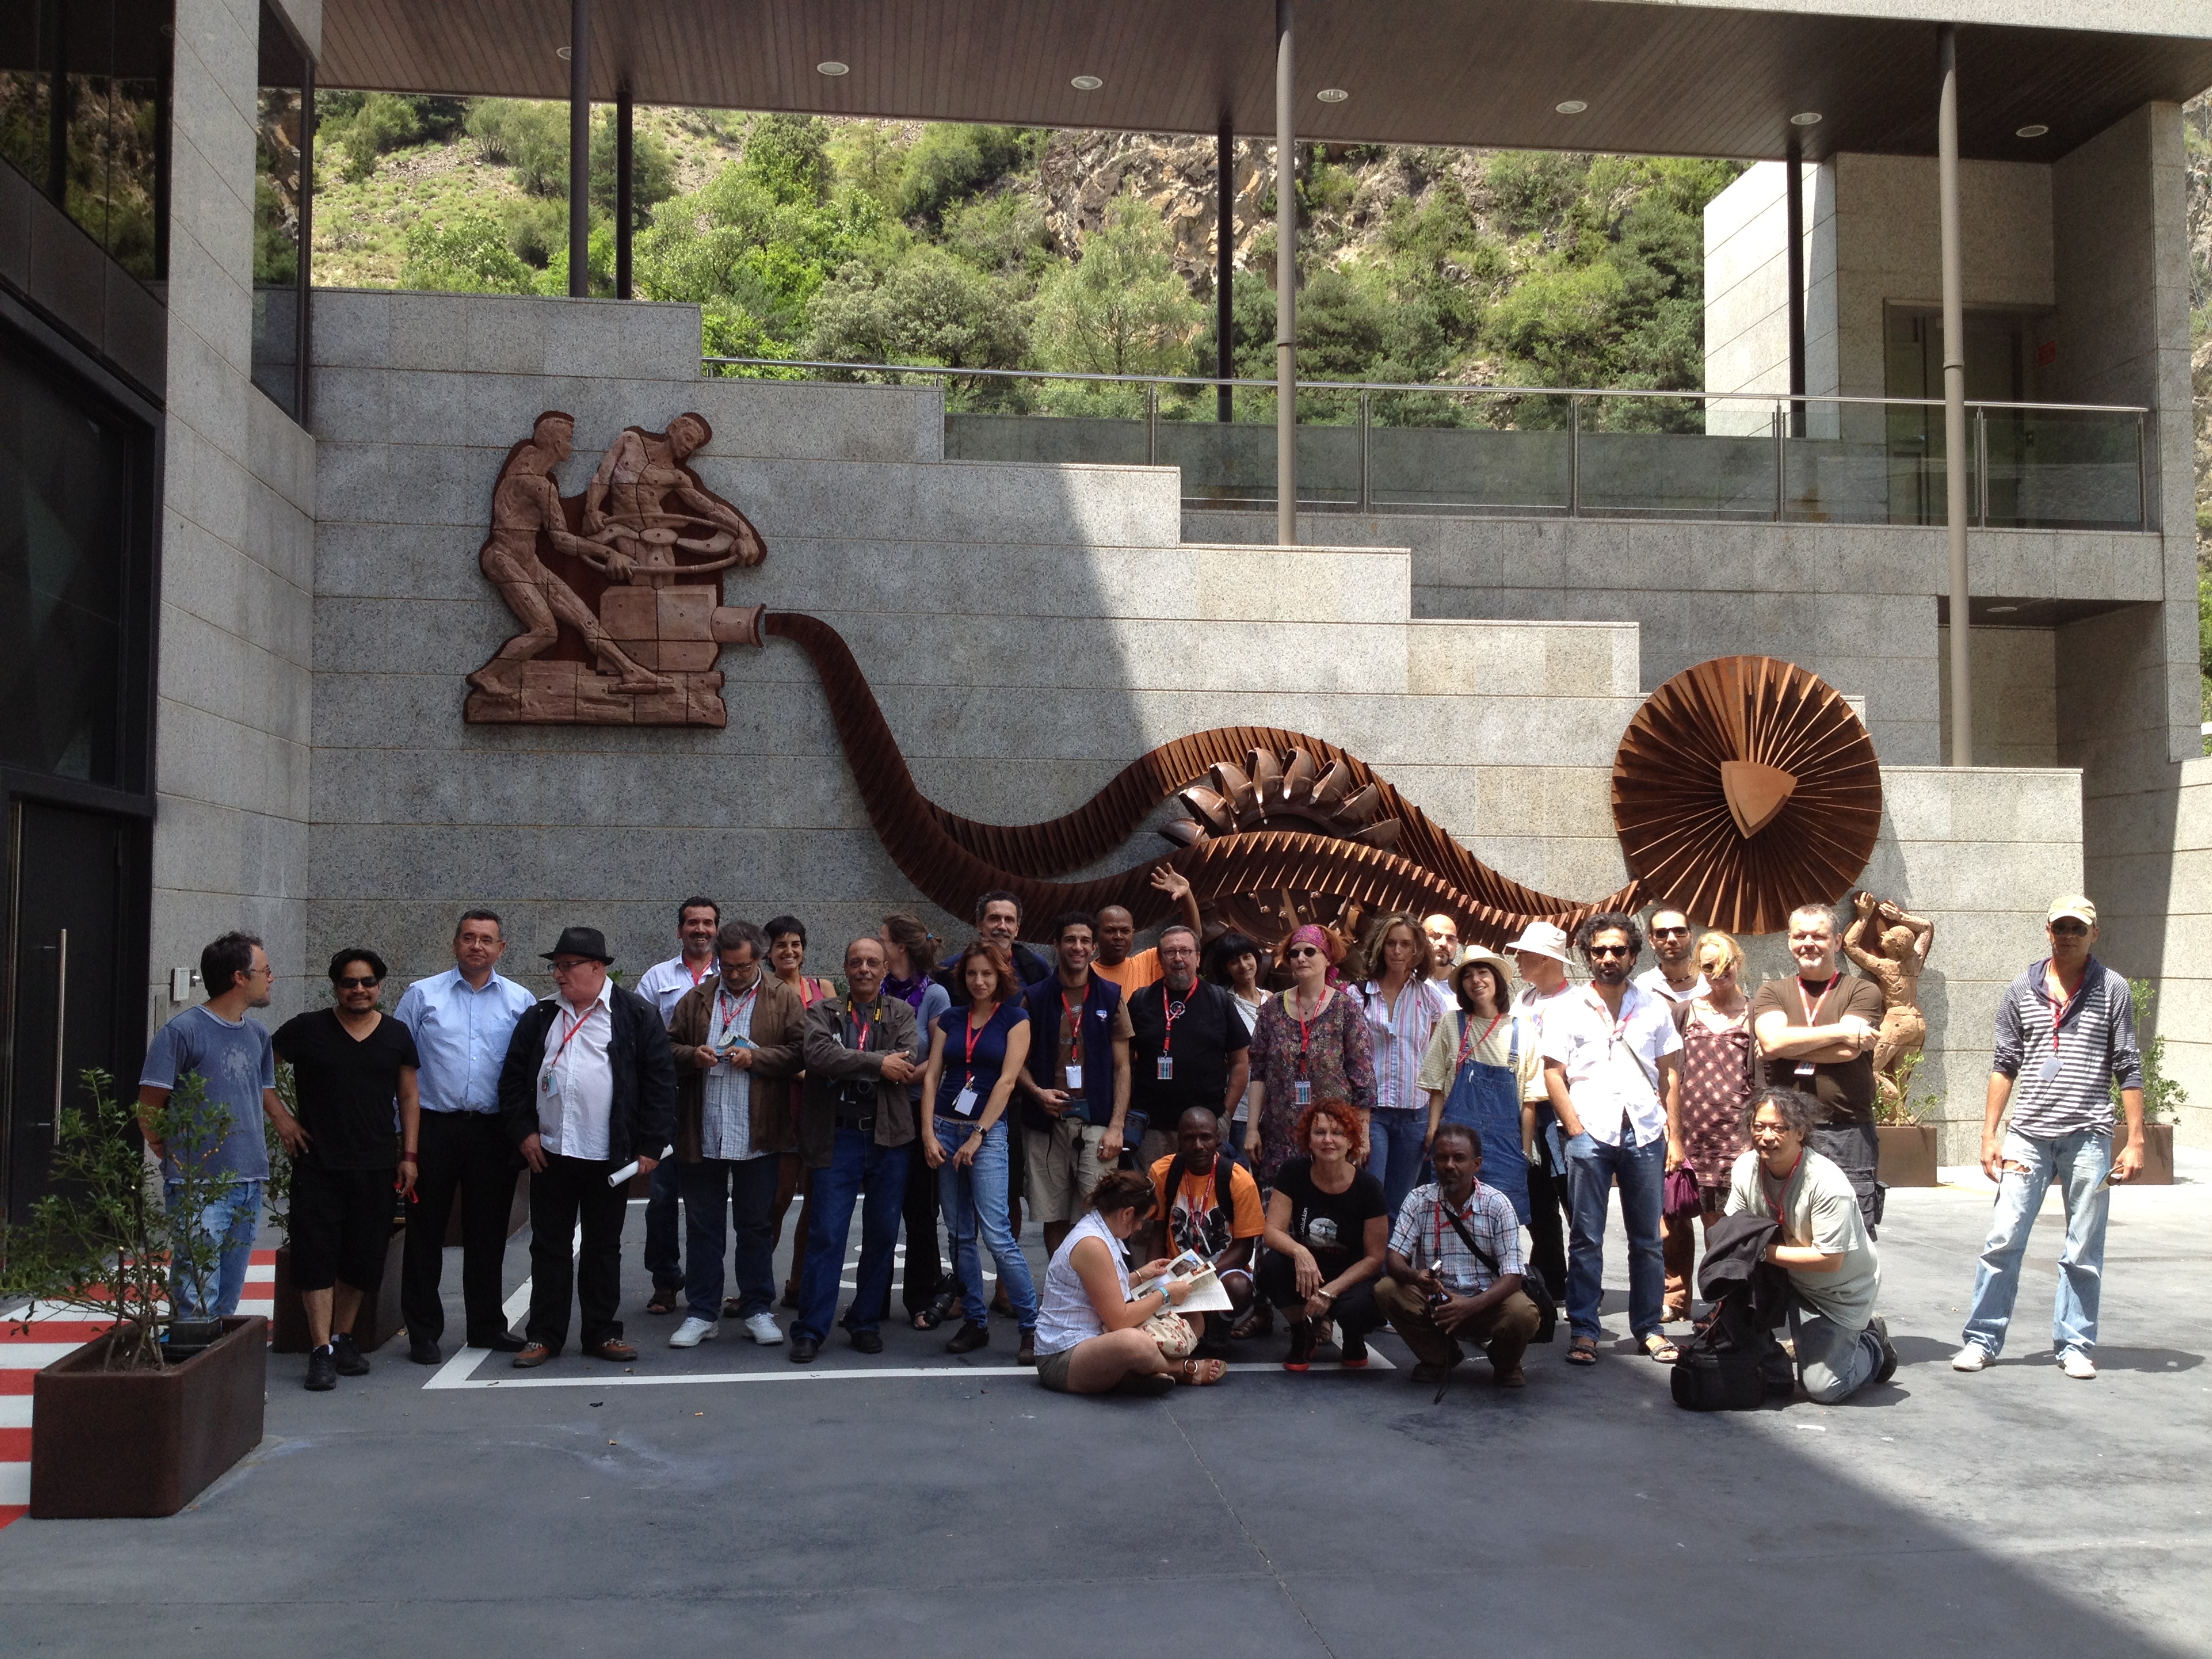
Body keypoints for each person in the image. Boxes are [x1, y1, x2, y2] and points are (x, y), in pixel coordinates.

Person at [1953, 895, 2146, 1380]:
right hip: (2027, 1137)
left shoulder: (2113, 988)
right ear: (2048, 931)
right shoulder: (2022, 987)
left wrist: (2136, 1139)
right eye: (2061, 927)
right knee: (2003, 1239)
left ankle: (2074, 1344)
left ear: (2094, 934)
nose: (2068, 936)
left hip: (2089, 1135)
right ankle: (1981, 1340)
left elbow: (2128, 1065)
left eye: (2078, 929)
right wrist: (1989, 1134)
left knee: (2083, 1248)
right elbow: (2004, 1063)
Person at [499, 926, 678, 1368]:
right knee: (549, 1247)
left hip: (609, 1155)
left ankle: (602, 1333)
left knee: (603, 1246)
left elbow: (660, 1083)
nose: (558, 975)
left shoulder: (635, 1014)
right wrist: (524, 1132)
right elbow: (513, 1080)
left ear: (598, 968)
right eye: (555, 966)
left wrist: (652, 1144)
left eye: (567, 966)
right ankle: (544, 1335)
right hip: (551, 1152)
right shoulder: (541, 1016)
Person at [272, 949, 422, 1391]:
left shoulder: (396, 1034)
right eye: (349, 982)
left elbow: (409, 1097)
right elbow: (258, 1068)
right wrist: (282, 1120)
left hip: (376, 1165)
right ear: (335, 986)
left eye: (368, 981)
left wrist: (409, 1155)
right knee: (316, 1257)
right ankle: (320, 1351)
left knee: (362, 1258)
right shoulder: (307, 1029)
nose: (359, 989)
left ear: (380, 986)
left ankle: (342, 1339)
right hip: (318, 1165)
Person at [394, 909, 539, 1364]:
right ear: (455, 943)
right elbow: (398, 1065)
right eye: (469, 938)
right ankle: (423, 1333)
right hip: (434, 1128)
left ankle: (486, 1326)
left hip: (492, 1132)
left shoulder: (520, 1000)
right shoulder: (422, 995)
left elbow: (528, 1070)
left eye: (486, 939)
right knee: (424, 1233)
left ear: (501, 948)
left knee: (488, 1234)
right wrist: (402, 1139)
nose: (477, 946)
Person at [1541, 912, 1683, 1368]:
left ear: (1633, 956)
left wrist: (1674, 1136)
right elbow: (1553, 1073)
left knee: (1648, 1240)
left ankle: (1649, 1328)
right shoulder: (1566, 1008)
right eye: (1599, 950)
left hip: (1644, 1131)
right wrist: (1574, 1129)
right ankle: (1585, 1330)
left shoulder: (1655, 1007)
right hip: (1591, 1134)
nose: (1608, 957)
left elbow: (1670, 1074)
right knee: (1586, 1238)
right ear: (1588, 956)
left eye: (1617, 950)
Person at [664, 920, 804, 1349]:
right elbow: (666, 1049)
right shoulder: (697, 998)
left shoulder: (783, 998)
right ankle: (701, 1313)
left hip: (757, 1133)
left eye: (744, 967)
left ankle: (757, 1308)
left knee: (756, 1225)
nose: (736, 974)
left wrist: (758, 1058)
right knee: (702, 1226)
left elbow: (802, 1052)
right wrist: (693, 1055)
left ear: (759, 959)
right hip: (704, 1131)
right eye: (728, 967)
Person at [136, 931, 284, 1322]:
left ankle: (216, 1356)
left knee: (228, 1294)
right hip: (199, 1184)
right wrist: (167, 1149)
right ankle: (191, 1352)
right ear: (240, 977)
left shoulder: (258, 1035)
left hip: (250, 1181)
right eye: (266, 970)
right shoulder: (182, 1031)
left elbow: (263, 1092)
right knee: (196, 1294)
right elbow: (149, 1104)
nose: (272, 978)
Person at [790, 937, 922, 1364]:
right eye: (856, 962)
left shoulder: (901, 1012)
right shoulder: (822, 1012)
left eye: (872, 963)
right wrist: (878, 1063)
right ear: (845, 969)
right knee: (826, 1234)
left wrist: (852, 1059)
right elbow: (818, 1055)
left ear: (884, 969)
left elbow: (906, 1060)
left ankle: (865, 1322)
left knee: (882, 1235)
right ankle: (810, 1329)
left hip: (888, 1139)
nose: (864, 969)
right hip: (838, 1137)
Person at [1727, 1087, 1895, 1402]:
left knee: (1823, 1388)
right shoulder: (1745, 1168)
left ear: (1800, 1132)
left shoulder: (1827, 1183)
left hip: (1839, 1292)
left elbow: (1829, 1261)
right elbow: (1734, 1231)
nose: (1766, 1137)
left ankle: (1872, 1343)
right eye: (1759, 1127)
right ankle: (1786, 1347)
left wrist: (1761, 1251)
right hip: (1786, 1279)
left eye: (1779, 1128)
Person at [918, 939, 1038, 1359]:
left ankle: (1032, 1325)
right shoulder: (951, 1018)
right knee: (959, 1234)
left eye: (987, 973)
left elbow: (1007, 1081)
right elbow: (932, 1076)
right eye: (972, 973)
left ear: (1000, 975)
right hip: (945, 1128)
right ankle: (975, 1321)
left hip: (985, 1134)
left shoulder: (1015, 1018)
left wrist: (979, 1134)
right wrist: (928, 1134)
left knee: (997, 1235)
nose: (979, 981)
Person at [1751, 903, 1886, 1235]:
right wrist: (1841, 1031)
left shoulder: (1862, 990)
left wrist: (1786, 1045)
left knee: (1850, 1230)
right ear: (1789, 941)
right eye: (1800, 936)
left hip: (1847, 1130)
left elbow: (1848, 1051)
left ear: (1838, 942)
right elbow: (1772, 1042)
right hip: (1783, 1132)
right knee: (1785, 1228)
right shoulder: (1772, 991)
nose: (1808, 943)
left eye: (1819, 936)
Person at [1378, 1123, 1542, 1388]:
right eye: (1442, 1158)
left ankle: (1506, 1363)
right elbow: (1394, 1259)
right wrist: (1416, 1276)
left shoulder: (1497, 1205)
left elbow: (1513, 1275)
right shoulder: (1418, 1200)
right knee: (1386, 1289)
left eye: (1459, 1158)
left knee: (1522, 1313)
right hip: (1438, 1303)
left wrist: (1470, 1306)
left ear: (1477, 1164)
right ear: (1433, 1162)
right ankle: (1439, 1358)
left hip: (1487, 1302)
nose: (1449, 1166)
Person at [1032, 1169, 1225, 1393]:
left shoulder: (1103, 1231)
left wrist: (1141, 1275)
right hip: (1065, 1355)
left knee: (1194, 1319)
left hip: (1099, 1336)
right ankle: (1179, 1369)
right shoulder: (1092, 1245)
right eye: (1141, 1220)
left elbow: (1103, 1288)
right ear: (1127, 1214)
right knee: (1134, 1343)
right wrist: (1165, 1294)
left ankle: (1140, 1371)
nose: (1140, 1227)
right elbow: (1119, 1320)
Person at [1017, 912, 1132, 1257]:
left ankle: (1096, 1286)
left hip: (1097, 1123)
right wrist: (1037, 1093)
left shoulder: (1110, 996)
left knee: (1099, 1213)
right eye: (1070, 940)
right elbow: (1017, 1062)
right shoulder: (1035, 997)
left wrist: (1117, 1126)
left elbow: (1123, 1066)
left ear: (1094, 947)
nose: (1077, 947)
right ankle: (1061, 1284)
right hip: (1046, 1123)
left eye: (1084, 941)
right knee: (1053, 1215)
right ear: (1056, 945)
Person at [634, 898, 722, 1319]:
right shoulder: (657, 978)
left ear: (717, 929)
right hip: (668, 1099)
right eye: (692, 923)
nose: (700, 929)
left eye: (707, 923)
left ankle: (709, 1284)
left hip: (719, 1098)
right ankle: (666, 1280)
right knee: (663, 1196)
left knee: (709, 1200)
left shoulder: (732, 972)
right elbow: (642, 1038)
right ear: (680, 930)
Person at [1666, 931, 1759, 1322]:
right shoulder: (1683, 1012)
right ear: (1697, 969)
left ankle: (1725, 1305)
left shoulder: (1755, 1013)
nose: (1718, 973)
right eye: (1708, 966)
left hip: (1735, 1138)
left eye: (1725, 964)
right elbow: (1668, 1074)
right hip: (1690, 1136)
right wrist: (1672, 1133)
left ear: (1738, 962)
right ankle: (1677, 1299)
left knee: (1722, 1226)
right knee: (1674, 1221)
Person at [1257, 1099, 1391, 1370]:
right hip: (1308, 1271)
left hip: (1351, 1275)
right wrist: (1300, 1252)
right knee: (1270, 1266)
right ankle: (1301, 1332)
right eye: (1320, 1132)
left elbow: (1375, 1258)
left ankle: (1353, 1334)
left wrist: (1332, 1290)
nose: (1328, 1140)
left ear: (1351, 1141)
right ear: (1309, 1139)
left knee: (1363, 1306)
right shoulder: (1293, 1172)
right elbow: (1272, 1231)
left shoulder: (1369, 1187)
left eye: (1337, 1133)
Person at [1246, 924, 1376, 1188]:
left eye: (1309, 951)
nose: (1301, 958)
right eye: (1294, 953)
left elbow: (1362, 1076)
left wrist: (1362, 1135)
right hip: (1280, 1134)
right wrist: (1251, 1130)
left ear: (1327, 958)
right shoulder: (1272, 1008)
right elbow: (1258, 1072)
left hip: (1331, 1137)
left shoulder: (1345, 1008)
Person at [1418, 946, 1539, 1227]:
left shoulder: (1522, 1030)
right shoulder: (1452, 1023)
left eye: (1483, 972)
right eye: (1467, 975)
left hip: (1506, 1147)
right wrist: (1433, 1133)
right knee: (1449, 1221)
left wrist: (1525, 1151)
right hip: (1454, 1143)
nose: (1476, 980)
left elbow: (1530, 1099)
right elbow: (1436, 1086)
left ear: (1497, 979)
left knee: (1501, 1225)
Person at [1348, 913, 1450, 1218]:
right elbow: (1349, 1059)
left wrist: (1433, 1124)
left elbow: (1438, 1067)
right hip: (1373, 1113)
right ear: (1380, 946)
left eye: (1405, 944)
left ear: (1417, 950)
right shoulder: (1358, 996)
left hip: (1415, 1115)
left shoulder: (1430, 999)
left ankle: (1391, 1253)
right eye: (1391, 943)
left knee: (1400, 1205)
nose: (1397, 951)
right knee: (1369, 1199)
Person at [881, 912, 956, 1330]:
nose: (877, 947)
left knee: (920, 1210)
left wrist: (913, 1073)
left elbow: (940, 1056)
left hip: (917, 1108)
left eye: (882, 940)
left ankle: (922, 1297)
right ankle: (873, 1301)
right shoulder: (875, 986)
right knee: (881, 1210)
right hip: (879, 1108)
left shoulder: (935, 994)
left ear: (900, 947)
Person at [1126, 923, 1250, 1172]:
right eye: (1170, 952)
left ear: (1198, 957)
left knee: (1203, 1191)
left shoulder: (1219, 1000)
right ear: (1160, 959)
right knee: (1153, 1191)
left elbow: (1241, 1061)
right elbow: (1124, 1063)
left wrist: (1225, 1115)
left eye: (1185, 951)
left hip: (1205, 1130)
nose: (1178, 958)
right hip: (1152, 1128)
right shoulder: (1141, 1000)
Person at [1148, 1106, 1266, 1353]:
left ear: (1218, 1139)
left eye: (1206, 1137)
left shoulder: (1239, 1180)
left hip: (1221, 1271)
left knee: (1239, 1287)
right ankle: (1184, 1324)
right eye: (1189, 1138)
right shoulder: (1162, 1172)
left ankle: (1219, 1324)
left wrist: (1201, 1276)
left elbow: (1244, 1249)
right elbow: (1157, 1231)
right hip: (1176, 1270)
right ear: (1179, 1140)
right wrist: (1153, 1277)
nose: (1198, 1145)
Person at [764, 915, 837, 1311]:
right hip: (783, 1105)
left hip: (821, 1107)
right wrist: (804, 1071)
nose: (789, 951)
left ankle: (798, 1282)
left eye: (795, 944)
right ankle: (757, 1288)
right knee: (776, 1202)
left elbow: (836, 1042)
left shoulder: (823, 988)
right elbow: (764, 1048)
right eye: (781, 945)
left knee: (816, 1203)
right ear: (768, 952)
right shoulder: (763, 991)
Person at [1507, 921, 1578, 1305]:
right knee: (1538, 1200)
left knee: (1574, 1201)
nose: (1517, 958)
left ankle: (1583, 1283)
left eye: (1524, 953)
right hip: (1529, 1111)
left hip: (1566, 1112)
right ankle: (1552, 1280)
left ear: (1547, 958)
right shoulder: (1524, 999)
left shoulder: (1579, 1001)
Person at [1843, 893, 1936, 1111]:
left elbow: (1850, 945)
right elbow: (1926, 928)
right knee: (1901, 1075)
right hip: (1918, 1023)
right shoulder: (1915, 961)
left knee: (1871, 1070)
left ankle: (1892, 1104)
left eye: (1890, 935)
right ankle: (1900, 1116)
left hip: (1899, 1021)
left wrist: (1864, 917)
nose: (1883, 933)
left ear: (1896, 946)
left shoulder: (1887, 967)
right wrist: (1899, 917)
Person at [1210, 930, 1271, 1174]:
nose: (1243, 965)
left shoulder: (1272, 1000)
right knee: (1240, 1175)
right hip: (1242, 1108)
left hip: (1274, 1106)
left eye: (1247, 957)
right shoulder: (1223, 1003)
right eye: (1234, 961)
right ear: (1226, 968)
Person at [1091, 866, 1204, 995]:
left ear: (1133, 933)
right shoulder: (1085, 975)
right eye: (1110, 931)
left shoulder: (1148, 963)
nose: (1118, 936)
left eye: (1125, 931)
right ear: (1096, 934)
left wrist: (1186, 895)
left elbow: (1191, 938)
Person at [936, 890, 1052, 992]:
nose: (1002, 926)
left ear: (1017, 929)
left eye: (1009, 920)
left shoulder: (1036, 967)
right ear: (980, 925)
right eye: (994, 919)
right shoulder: (950, 969)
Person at [1634, 903, 1707, 1004]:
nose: (1672, 939)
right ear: (1651, 941)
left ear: (1691, 937)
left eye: (1679, 931)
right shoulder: (1643, 987)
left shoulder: (1712, 981)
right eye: (1661, 933)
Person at [1421, 914, 1460, 986]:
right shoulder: (1405, 975)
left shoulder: (1463, 985)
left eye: (1450, 939)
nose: (1443, 943)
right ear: (1420, 938)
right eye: (1435, 936)